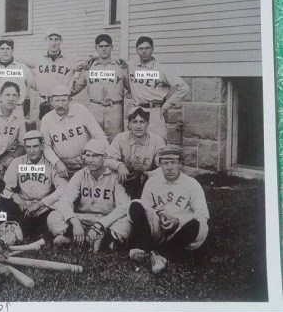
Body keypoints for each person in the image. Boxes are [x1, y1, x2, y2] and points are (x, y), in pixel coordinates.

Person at [128, 146, 210, 274]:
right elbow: (145, 208)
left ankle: (160, 254)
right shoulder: (152, 181)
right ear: (159, 164)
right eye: (165, 163)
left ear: (180, 164)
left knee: (200, 224)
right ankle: (143, 247)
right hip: (158, 229)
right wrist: (159, 214)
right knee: (136, 205)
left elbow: (202, 214)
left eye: (173, 162)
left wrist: (178, 221)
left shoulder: (192, 184)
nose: (170, 167)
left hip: (180, 231)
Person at [46, 139, 131, 253]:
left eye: (95, 156)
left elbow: (124, 206)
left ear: (105, 157)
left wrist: (100, 226)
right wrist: (75, 222)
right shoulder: (80, 175)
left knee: (126, 222)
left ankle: (81, 241)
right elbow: (65, 201)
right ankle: (95, 241)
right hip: (85, 219)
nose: (90, 160)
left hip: (107, 220)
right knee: (54, 217)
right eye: (88, 155)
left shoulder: (115, 176)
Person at [40, 84, 122, 178]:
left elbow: (99, 135)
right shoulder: (47, 119)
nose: (60, 105)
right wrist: (57, 162)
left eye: (64, 100)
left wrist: (106, 157)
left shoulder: (81, 110)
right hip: (65, 167)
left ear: (70, 100)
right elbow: (46, 147)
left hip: (87, 162)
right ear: (51, 101)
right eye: (57, 101)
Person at [3, 130, 68, 232]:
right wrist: (22, 202)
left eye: (35, 146)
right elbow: (4, 189)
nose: (31, 150)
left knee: (57, 212)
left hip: (44, 206)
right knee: (5, 210)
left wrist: (41, 204)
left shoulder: (50, 164)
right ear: (24, 147)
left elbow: (64, 188)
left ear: (42, 146)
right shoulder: (17, 162)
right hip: (23, 205)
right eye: (28, 147)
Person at [128, 36, 190, 141]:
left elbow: (184, 87)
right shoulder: (132, 66)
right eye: (141, 48)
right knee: (136, 146)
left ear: (152, 49)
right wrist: (93, 58)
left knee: (157, 145)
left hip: (154, 112)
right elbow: (115, 62)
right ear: (136, 50)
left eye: (147, 48)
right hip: (137, 112)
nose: (144, 51)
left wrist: (166, 105)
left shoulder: (161, 69)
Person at [72, 34, 128, 141]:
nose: (104, 49)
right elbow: (76, 88)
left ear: (112, 47)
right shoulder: (89, 68)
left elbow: (133, 88)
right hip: (95, 109)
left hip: (115, 111)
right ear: (96, 48)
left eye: (107, 46)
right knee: (94, 141)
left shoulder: (120, 67)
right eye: (100, 46)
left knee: (115, 142)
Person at [111, 106, 166, 199]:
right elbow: (108, 159)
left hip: (147, 182)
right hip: (125, 181)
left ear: (147, 124)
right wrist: (119, 165)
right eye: (134, 122)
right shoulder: (120, 138)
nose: (138, 126)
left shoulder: (157, 140)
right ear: (128, 124)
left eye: (142, 122)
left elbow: (165, 166)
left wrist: (147, 175)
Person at [0, 38, 35, 116]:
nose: (5, 51)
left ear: (12, 50)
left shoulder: (22, 67)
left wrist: (33, 67)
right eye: (2, 49)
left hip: (16, 108)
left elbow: (34, 84)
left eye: (8, 48)